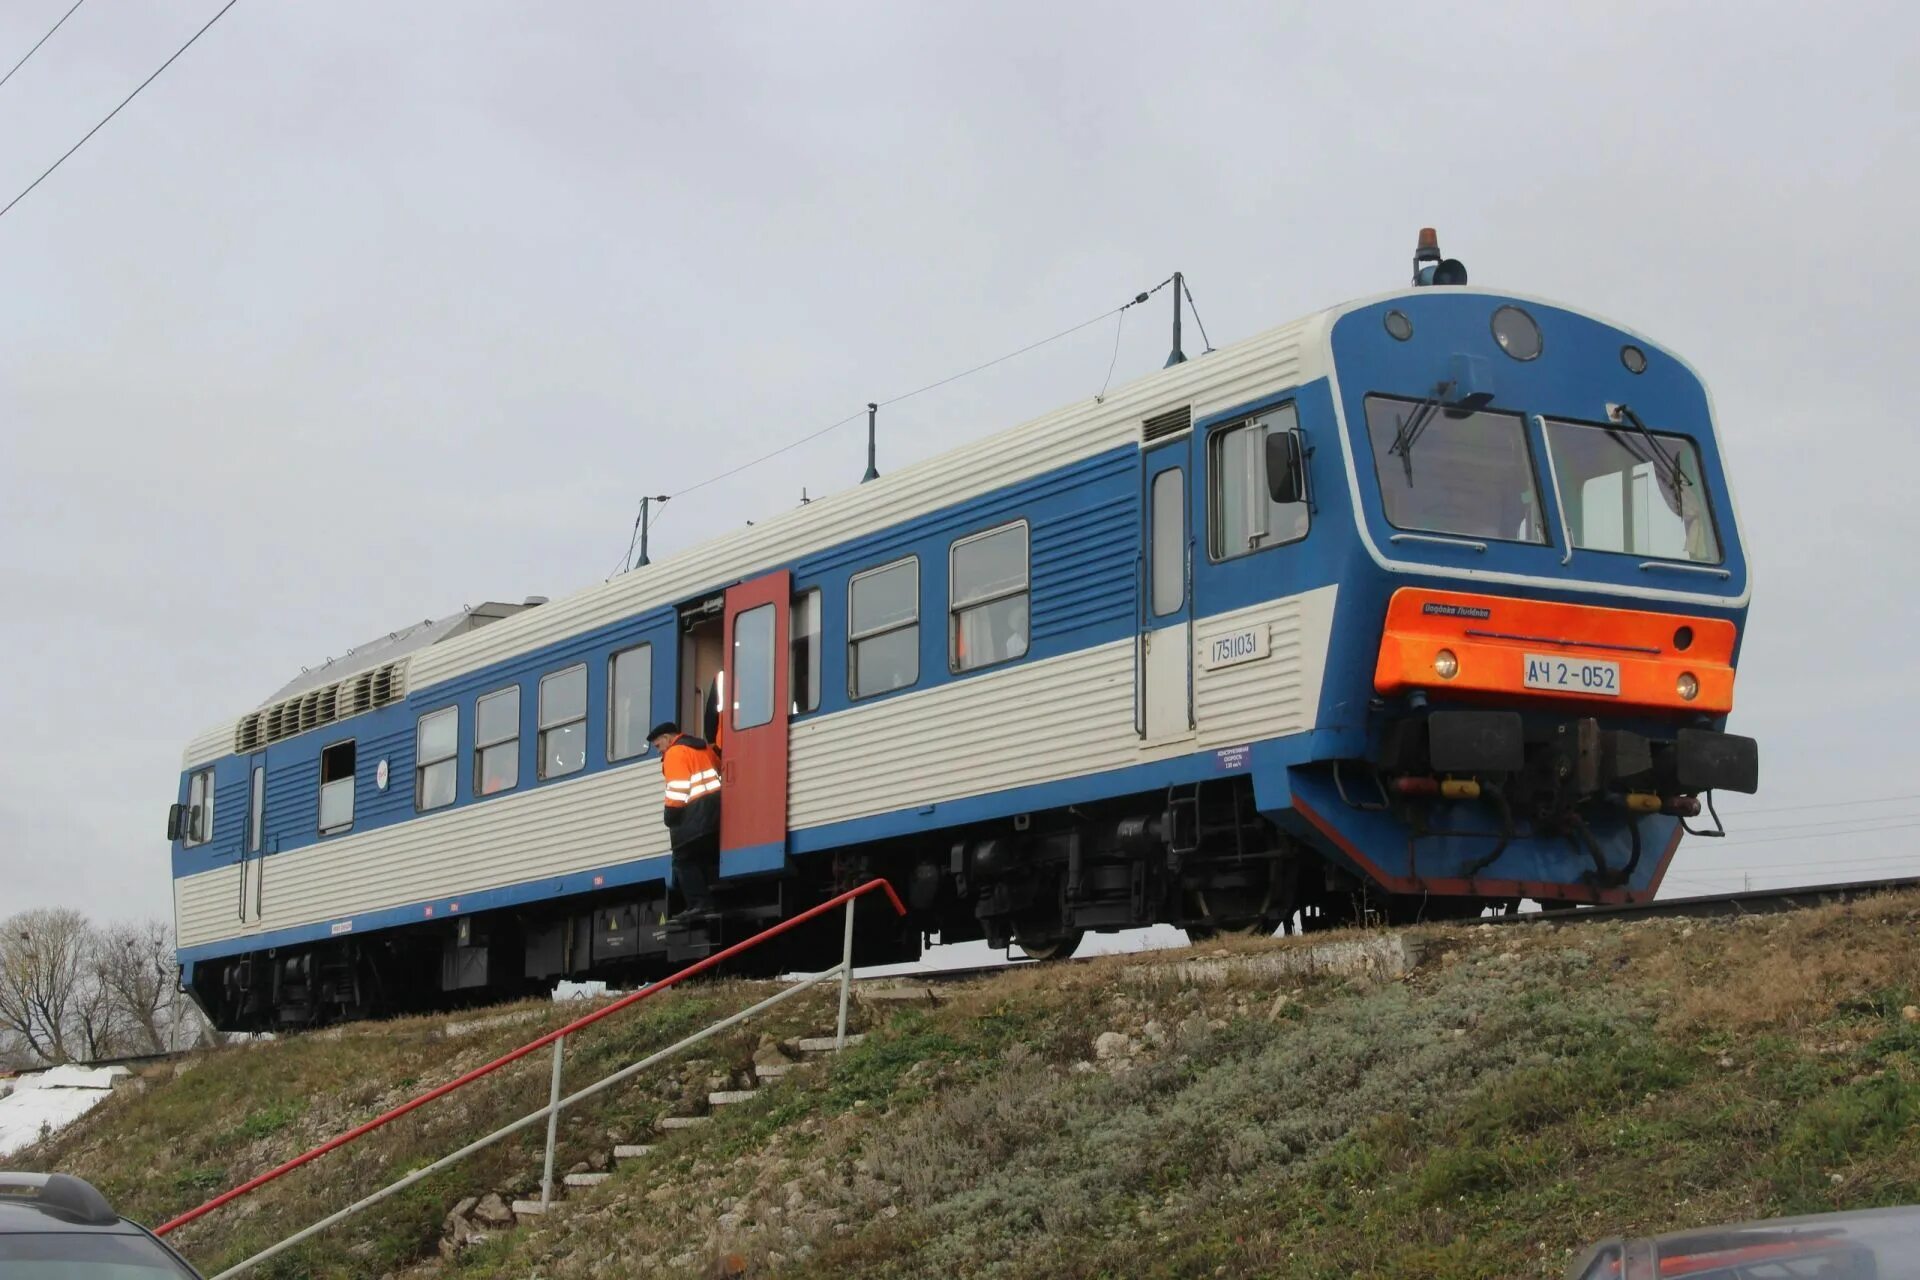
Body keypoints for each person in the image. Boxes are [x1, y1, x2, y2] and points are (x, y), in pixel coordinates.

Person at [650, 721, 723, 918]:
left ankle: (700, 904)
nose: (659, 751)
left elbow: (678, 789)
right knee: (703, 858)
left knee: (681, 860)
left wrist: (670, 815)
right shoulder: (704, 748)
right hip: (715, 816)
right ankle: (709, 901)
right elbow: (719, 769)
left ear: (667, 738)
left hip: (694, 818)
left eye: (658, 746)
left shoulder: (675, 753)